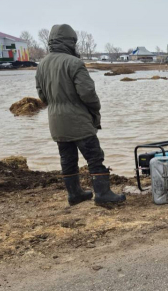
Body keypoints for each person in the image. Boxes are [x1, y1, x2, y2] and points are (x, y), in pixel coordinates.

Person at [35, 24, 125, 206]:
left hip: (56, 121)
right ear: (70, 42)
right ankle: (102, 194)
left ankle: (74, 194)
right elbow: (87, 93)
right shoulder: (74, 63)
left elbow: (42, 95)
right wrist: (95, 109)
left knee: (67, 158)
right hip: (77, 120)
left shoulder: (42, 65)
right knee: (94, 156)